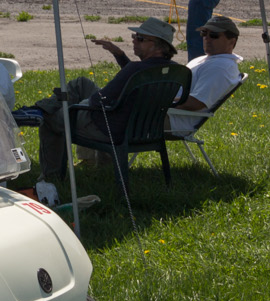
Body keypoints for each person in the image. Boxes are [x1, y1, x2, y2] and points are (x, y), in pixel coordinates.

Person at [19, 16, 186, 205]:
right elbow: (140, 76)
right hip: (144, 130)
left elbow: (98, 100)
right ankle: (38, 110)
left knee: (51, 119)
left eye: (140, 38)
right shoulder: (175, 72)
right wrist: (120, 55)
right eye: (134, 36)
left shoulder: (135, 70)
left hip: (109, 128)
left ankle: (51, 175)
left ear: (159, 46)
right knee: (83, 83)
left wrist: (77, 104)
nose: (134, 40)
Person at [170, 14, 244, 135]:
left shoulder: (221, 67)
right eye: (204, 33)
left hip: (175, 120)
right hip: (166, 114)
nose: (207, 38)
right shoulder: (206, 60)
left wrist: (159, 103)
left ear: (232, 41)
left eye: (214, 35)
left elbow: (196, 103)